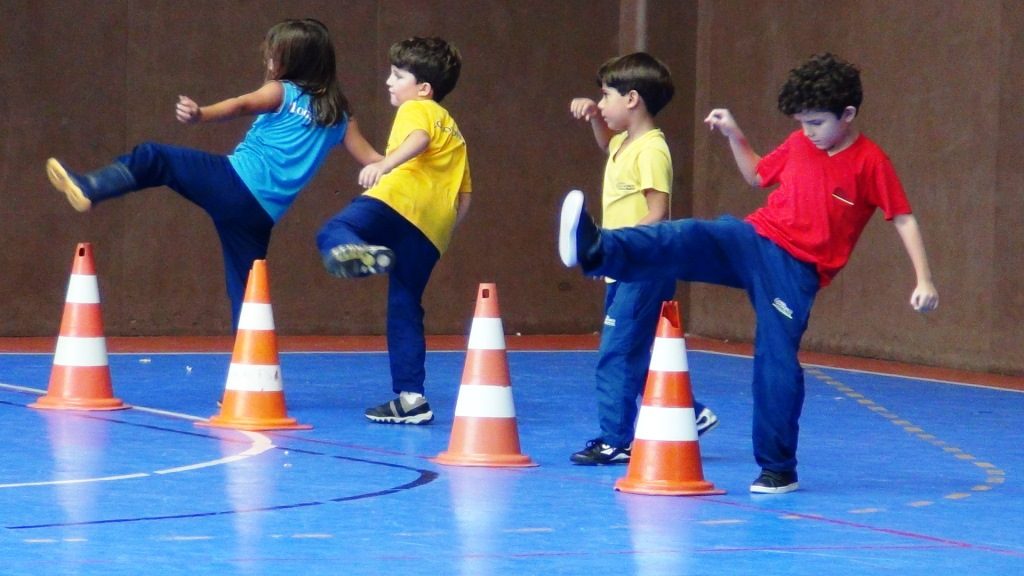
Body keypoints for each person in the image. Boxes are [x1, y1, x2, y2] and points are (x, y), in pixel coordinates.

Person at [559, 53, 939, 492]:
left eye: (816, 123)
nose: (808, 132)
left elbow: (904, 218)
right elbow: (758, 175)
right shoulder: (799, 144)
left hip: (795, 272)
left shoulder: (871, 162)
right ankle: (595, 249)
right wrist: (735, 134)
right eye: (801, 123)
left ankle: (778, 468)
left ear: (848, 114)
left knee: (775, 364)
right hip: (754, 240)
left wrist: (924, 279)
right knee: (685, 236)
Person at [46, 18, 381, 330]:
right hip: (261, 216)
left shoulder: (282, 91)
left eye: (273, 57)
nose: (268, 63)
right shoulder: (340, 117)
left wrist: (201, 115)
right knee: (247, 293)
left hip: (234, 183)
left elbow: (240, 105)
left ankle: (91, 187)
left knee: (154, 157)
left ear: (295, 63)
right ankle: (251, 381)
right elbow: (373, 160)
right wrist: (410, 155)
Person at [564, 53, 718, 466]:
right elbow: (607, 144)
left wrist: (620, 247)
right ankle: (689, 411)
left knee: (616, 352)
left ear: (632, 99)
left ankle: (616, 440)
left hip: (642, 266)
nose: (603, 103)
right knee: (643, 350)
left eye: (607, 96)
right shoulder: (622, 142)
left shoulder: (653, 150)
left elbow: (658, 212)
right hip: (624, 267)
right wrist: (596, 117)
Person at [316, 36, 471, 425]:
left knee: (336, 229)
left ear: (424, 88)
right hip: (432, 232)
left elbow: (417, 141)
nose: (389, 80)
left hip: (397, 201)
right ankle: (411, 398)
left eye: (398, 75)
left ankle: (357, 253)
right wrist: (442, 235)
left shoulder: (417, 108)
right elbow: (465, 198)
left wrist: (385, 166)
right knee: (404, 307)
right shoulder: (455, 133)